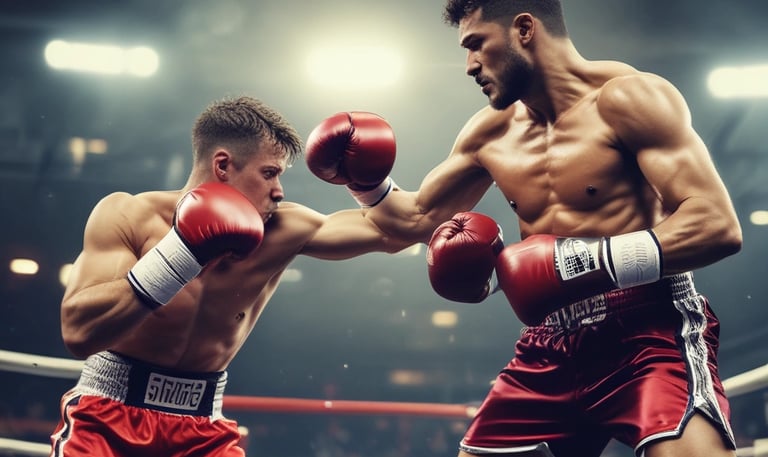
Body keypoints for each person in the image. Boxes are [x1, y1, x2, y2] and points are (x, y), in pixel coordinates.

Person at [304, 1, 743, 456]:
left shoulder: (629, 99)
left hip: (648, 330)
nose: (469, 65)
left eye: (476, 45)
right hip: (550, 343)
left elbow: (715, 224)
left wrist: (577, 262)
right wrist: (365, 182)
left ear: (525, 29)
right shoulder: (490, 133)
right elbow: (413, 220)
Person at [50, 97, 422, 456]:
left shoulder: (286, 228)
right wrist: (183, 252)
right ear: (223, 165)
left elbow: (407, 226)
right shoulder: (129, 214)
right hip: (108, 418)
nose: (279, 191)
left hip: (202, 429)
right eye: (269, 173)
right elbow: (79, 333)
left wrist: (369, 185)